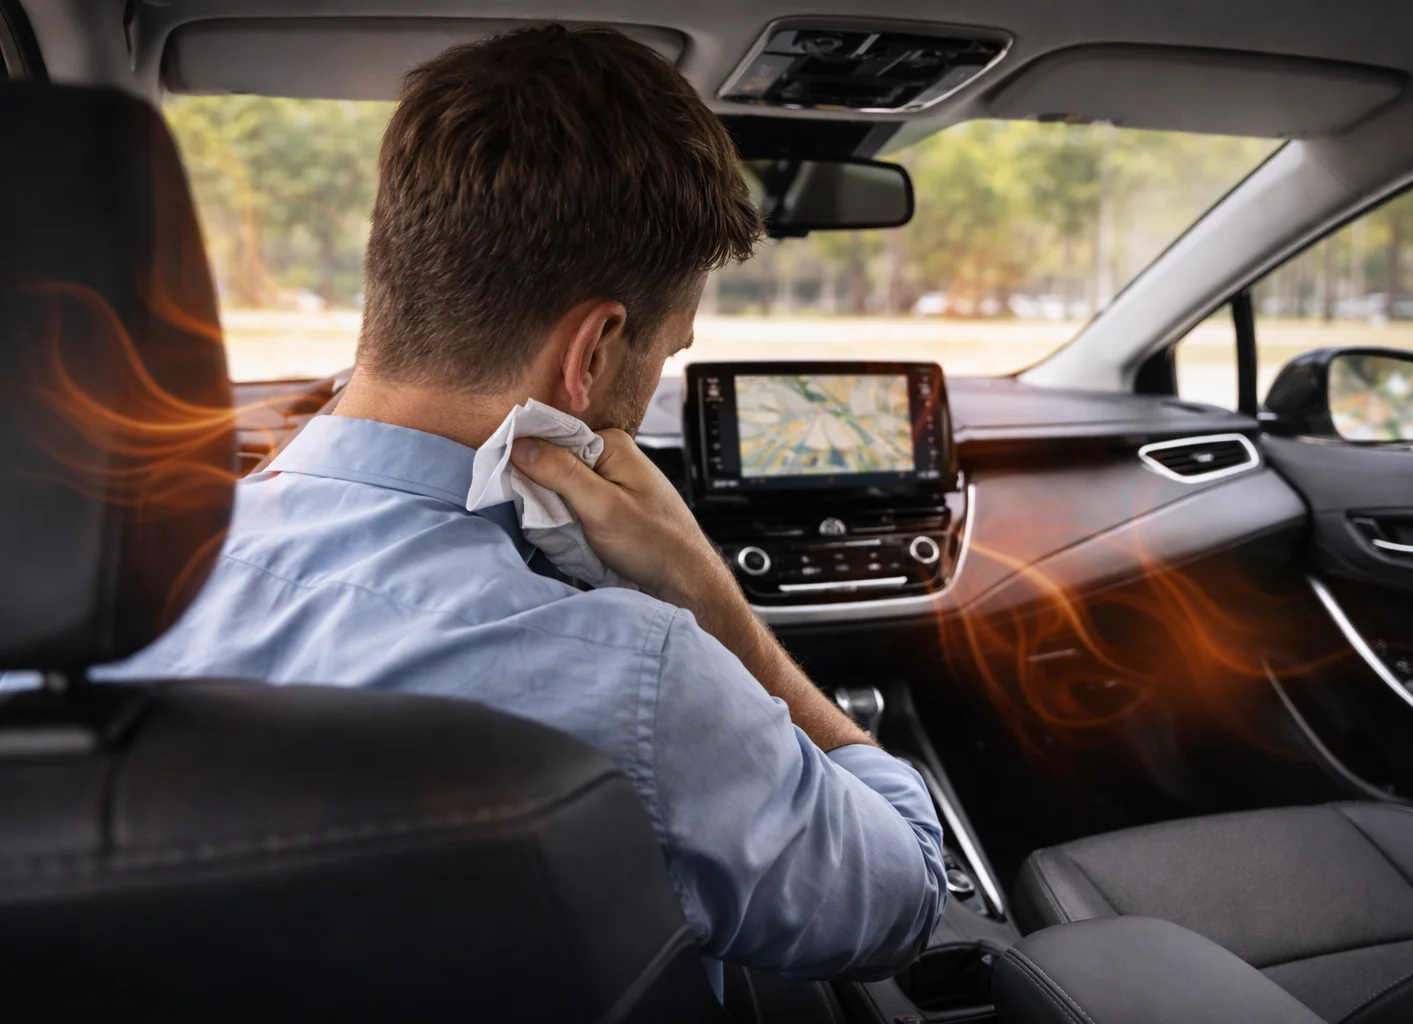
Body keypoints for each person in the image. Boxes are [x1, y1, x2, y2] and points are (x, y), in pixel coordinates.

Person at [107, 25, 945, 995]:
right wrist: (714, 609)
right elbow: (907, 894)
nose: (655, 380)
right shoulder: (638, 675)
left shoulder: (113, 594)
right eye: (667, 352)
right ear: (591, 352)